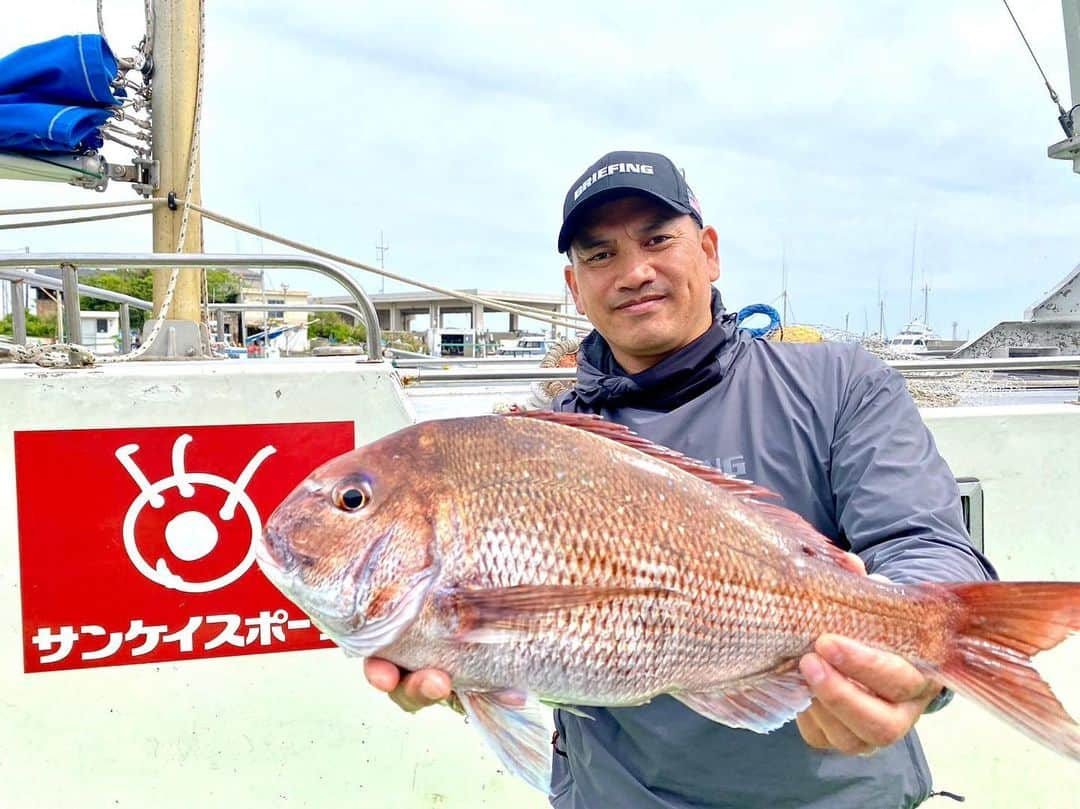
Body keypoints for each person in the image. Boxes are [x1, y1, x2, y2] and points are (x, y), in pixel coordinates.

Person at [364, 150, 997, 808]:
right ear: (575, 286)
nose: (635, 271)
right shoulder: (543, 441)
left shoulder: (840, 384)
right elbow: (534, 653)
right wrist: (467, 678)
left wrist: (918, 657)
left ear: (710, 251)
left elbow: (924, 538)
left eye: (657, 239)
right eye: (600, 254)